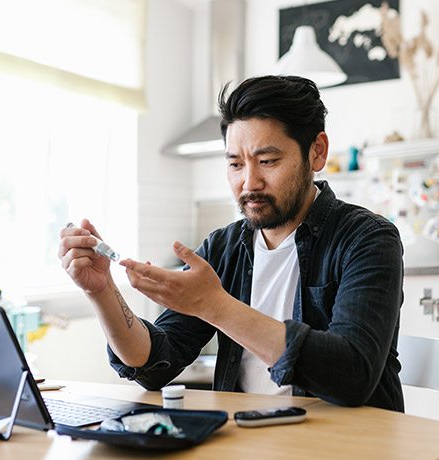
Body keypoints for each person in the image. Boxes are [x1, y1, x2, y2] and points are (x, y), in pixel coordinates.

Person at [59, 75, 404, 412]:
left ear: (317, 152)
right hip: (246, 449)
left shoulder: (367, 238)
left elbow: (353, 375)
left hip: (347, 457)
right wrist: (102, 291)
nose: (249, 182)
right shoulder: (224, 248)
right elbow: (152, 363)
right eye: (235, 164)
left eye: (267, 161)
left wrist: (215, 306)